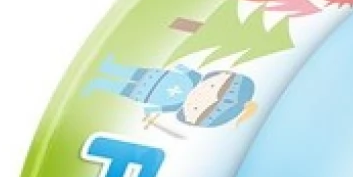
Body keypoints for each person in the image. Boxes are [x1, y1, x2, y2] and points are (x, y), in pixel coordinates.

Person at [85, 55, 257, 128]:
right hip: (155, 77)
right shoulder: (195, 79)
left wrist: (150, 110)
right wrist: (181, 66)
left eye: (197, 108)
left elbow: (162, 108)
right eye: (212, 87)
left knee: (124, 88)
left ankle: (99, 83)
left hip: (145, 93)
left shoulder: (176, 105)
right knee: (133, 73)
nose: (200, 96)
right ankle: (108, 68)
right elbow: (188, 71)